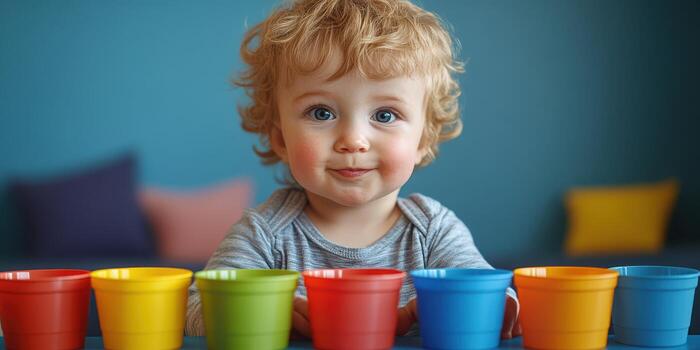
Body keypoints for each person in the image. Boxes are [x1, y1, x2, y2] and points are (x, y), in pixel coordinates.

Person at [186, 0, 520, 338]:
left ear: (423, 140)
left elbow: (498, 303)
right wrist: (269, 313)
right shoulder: (264, 235)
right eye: (321, 113)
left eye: (385, 115)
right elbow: (196, 311)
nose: (353, 140)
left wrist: (461, 306)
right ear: (281, 139)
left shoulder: (433, 232)